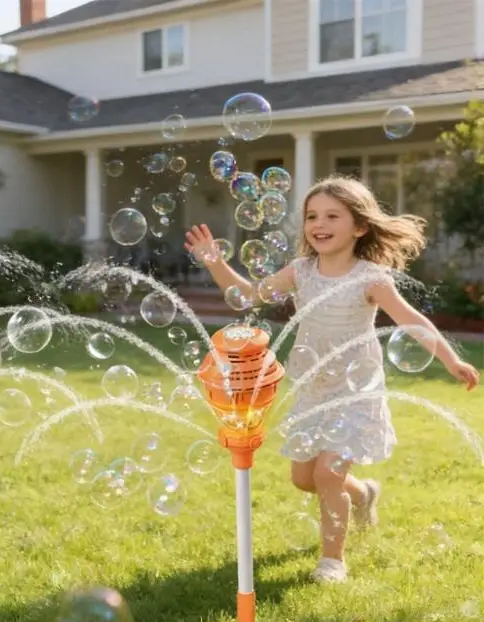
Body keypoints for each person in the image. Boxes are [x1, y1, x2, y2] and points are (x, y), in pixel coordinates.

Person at [184, 175, 480, 584]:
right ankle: (363, 494)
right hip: (314, 387)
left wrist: (450, 359)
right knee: (304, 479)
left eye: (331, 216)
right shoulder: (301, 271)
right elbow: (249, 296)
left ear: (359, 226)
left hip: (356, 389)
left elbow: (411, 320)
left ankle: (332, 561)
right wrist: (214, 261)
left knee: (327, 475)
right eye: (311, 216)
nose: (318, 223)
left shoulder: (371, 278)